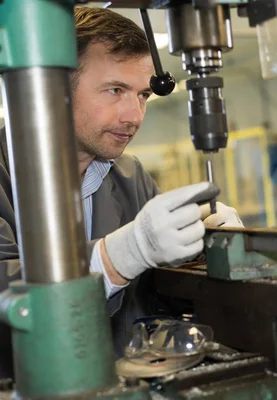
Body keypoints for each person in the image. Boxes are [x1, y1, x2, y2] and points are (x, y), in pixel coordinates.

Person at [0, 7, 241, 379]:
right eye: (115, 90)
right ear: (55, 87)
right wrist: (120, 255)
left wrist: (199, 249)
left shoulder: (131, 177)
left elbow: (153, 299)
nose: (134, 115)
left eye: (143, 94)